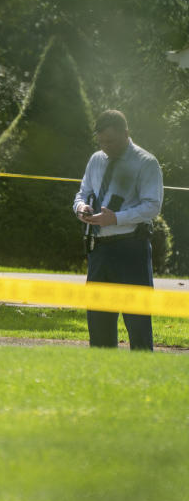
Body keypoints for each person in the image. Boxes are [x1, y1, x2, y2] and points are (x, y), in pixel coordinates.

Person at [73, 109, 163, 351]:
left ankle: (142, 382)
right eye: (101, 141)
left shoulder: (146, 162)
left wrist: (116, 219)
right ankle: (103, 381)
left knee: (138, 323)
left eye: (110, 141)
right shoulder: (96, 159)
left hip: (131, 248)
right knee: (99, 323)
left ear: (126, 133)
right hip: (99, 250)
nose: (105, 147)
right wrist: (81, 207)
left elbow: (152, 206)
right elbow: (82, 192)